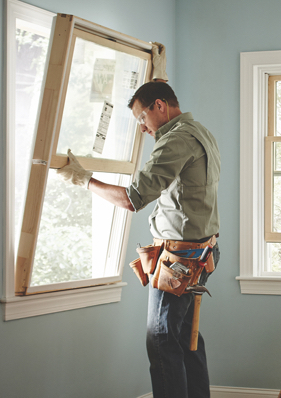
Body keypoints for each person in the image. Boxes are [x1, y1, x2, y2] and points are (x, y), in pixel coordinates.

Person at [57, 43, 221, 398]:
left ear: (159, 107)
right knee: (185, 336)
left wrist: (83, 178)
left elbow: (132, 199)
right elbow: (159, 102)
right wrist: (156, 75)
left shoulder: (174, 141)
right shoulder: (198, 131)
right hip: (203, 251)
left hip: (180, 259)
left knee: (161, 339)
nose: (142, 128)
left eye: (141, 119)